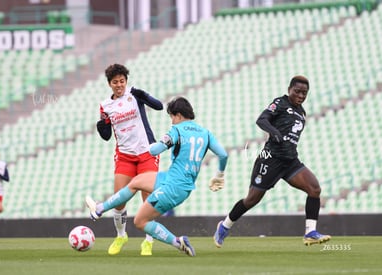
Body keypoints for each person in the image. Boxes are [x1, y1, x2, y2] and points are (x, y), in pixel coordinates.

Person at [86, 97, 228, 256]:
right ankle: (100, 209)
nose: (172, 121)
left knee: (140, 221)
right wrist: (219, 175)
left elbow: (155, 151)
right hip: (174, 181)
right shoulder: (206, 133)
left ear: (178, 115)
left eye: (172, 117)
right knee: (136, 182)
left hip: (172, 188)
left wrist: (151, 143)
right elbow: (223, 155)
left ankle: (178, 242)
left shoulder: (177, 130)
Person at [213, 76, 331, 247]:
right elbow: (261, 120)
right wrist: (274, 132)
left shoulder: (302, 112)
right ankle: (224, 226)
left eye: (304, 93)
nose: (300, 95)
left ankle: (310, 232)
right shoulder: (280, 103)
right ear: (289, 89)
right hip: (271, 160)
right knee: (251, 199)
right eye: (297, 91)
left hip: (290, 161)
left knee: (314, 189)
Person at [96, 63, 163, 256]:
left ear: (126, 80)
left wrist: (145, 95)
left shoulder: (134, 95)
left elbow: (159, 106)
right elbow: (107, 134)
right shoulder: (105, 105)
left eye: (122, 81)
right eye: (115, 82)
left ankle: (148, 241)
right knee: (119, 200)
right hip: (124, 156)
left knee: (148, 200)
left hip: (146, 153)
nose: (119, 85)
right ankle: (121, 236)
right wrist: (102, 127)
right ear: (109, 84)